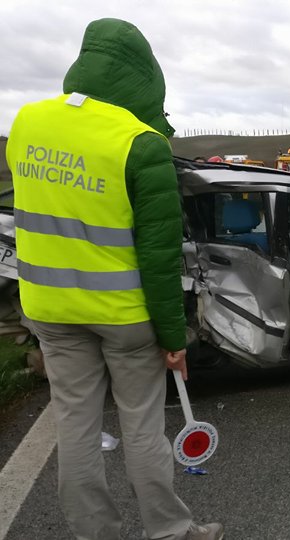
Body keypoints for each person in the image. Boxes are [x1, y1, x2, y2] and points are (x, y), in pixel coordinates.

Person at [5, 19, 223, 540]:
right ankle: (170, 532)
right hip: (123, 317)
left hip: (51, 312)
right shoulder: (140, 143)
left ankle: (95, 535)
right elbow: (159, 254)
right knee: (142, 429)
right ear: (143, 76)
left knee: (75, 428)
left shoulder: (26, 123)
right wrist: (175, 339)